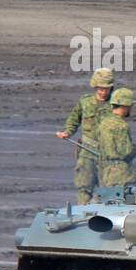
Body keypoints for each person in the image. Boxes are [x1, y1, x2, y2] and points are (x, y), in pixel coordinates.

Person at [57, 67, 116, 203]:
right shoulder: (85, 102)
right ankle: (82, 210)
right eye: (100, 88)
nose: (103, 91)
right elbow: (74, 119)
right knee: (84, 184)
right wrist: (67, 132)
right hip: (87, 150)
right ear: (95, 86)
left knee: (107, 187)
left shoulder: (115, 103)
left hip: (108, 152)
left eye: (106, 88)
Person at [96, 88, 136, 188]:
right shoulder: (121, 126)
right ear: (126, 106)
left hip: (105, 172)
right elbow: (125, 152)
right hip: (121, 174)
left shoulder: (104, 123)